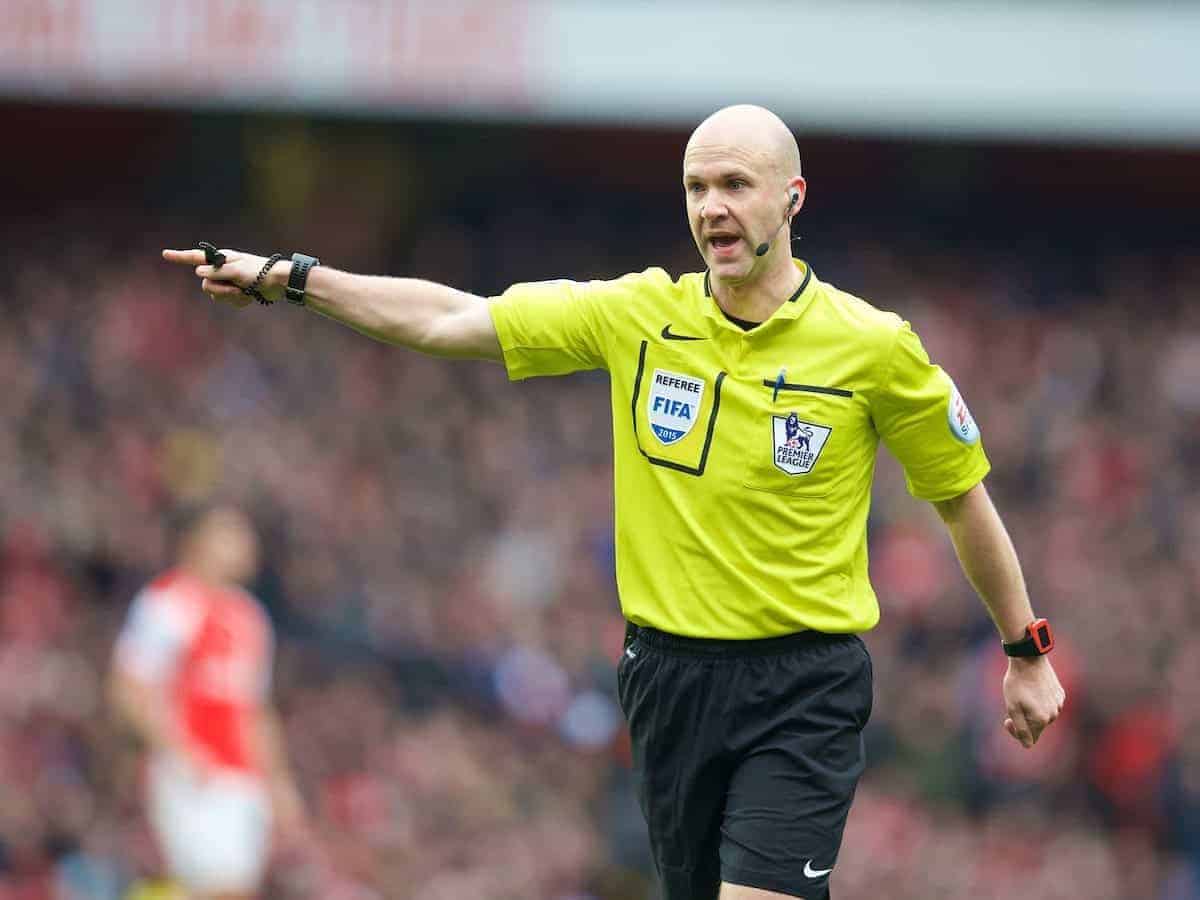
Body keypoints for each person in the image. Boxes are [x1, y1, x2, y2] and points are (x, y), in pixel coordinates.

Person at [163, 104, 1066, 900]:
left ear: (792, 198)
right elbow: (451, 319)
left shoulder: (874, 348)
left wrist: (1024, 649)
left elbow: (962, 500)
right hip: (666, 682)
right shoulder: (639, 315)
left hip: (804, 683)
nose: (711, 205)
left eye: (735, 184)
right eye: (695, 185)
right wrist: (296, 280)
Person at [109, 505, 306, 900]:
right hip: (196, 772)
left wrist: (279, 783)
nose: (245, 543)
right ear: (196, 541)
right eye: (230, 532)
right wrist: (177, 750)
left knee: (233, 888)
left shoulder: (249, 617)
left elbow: (254, 710)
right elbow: (128, 686)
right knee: (218, 887)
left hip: (242, 777)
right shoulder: (170, 602)